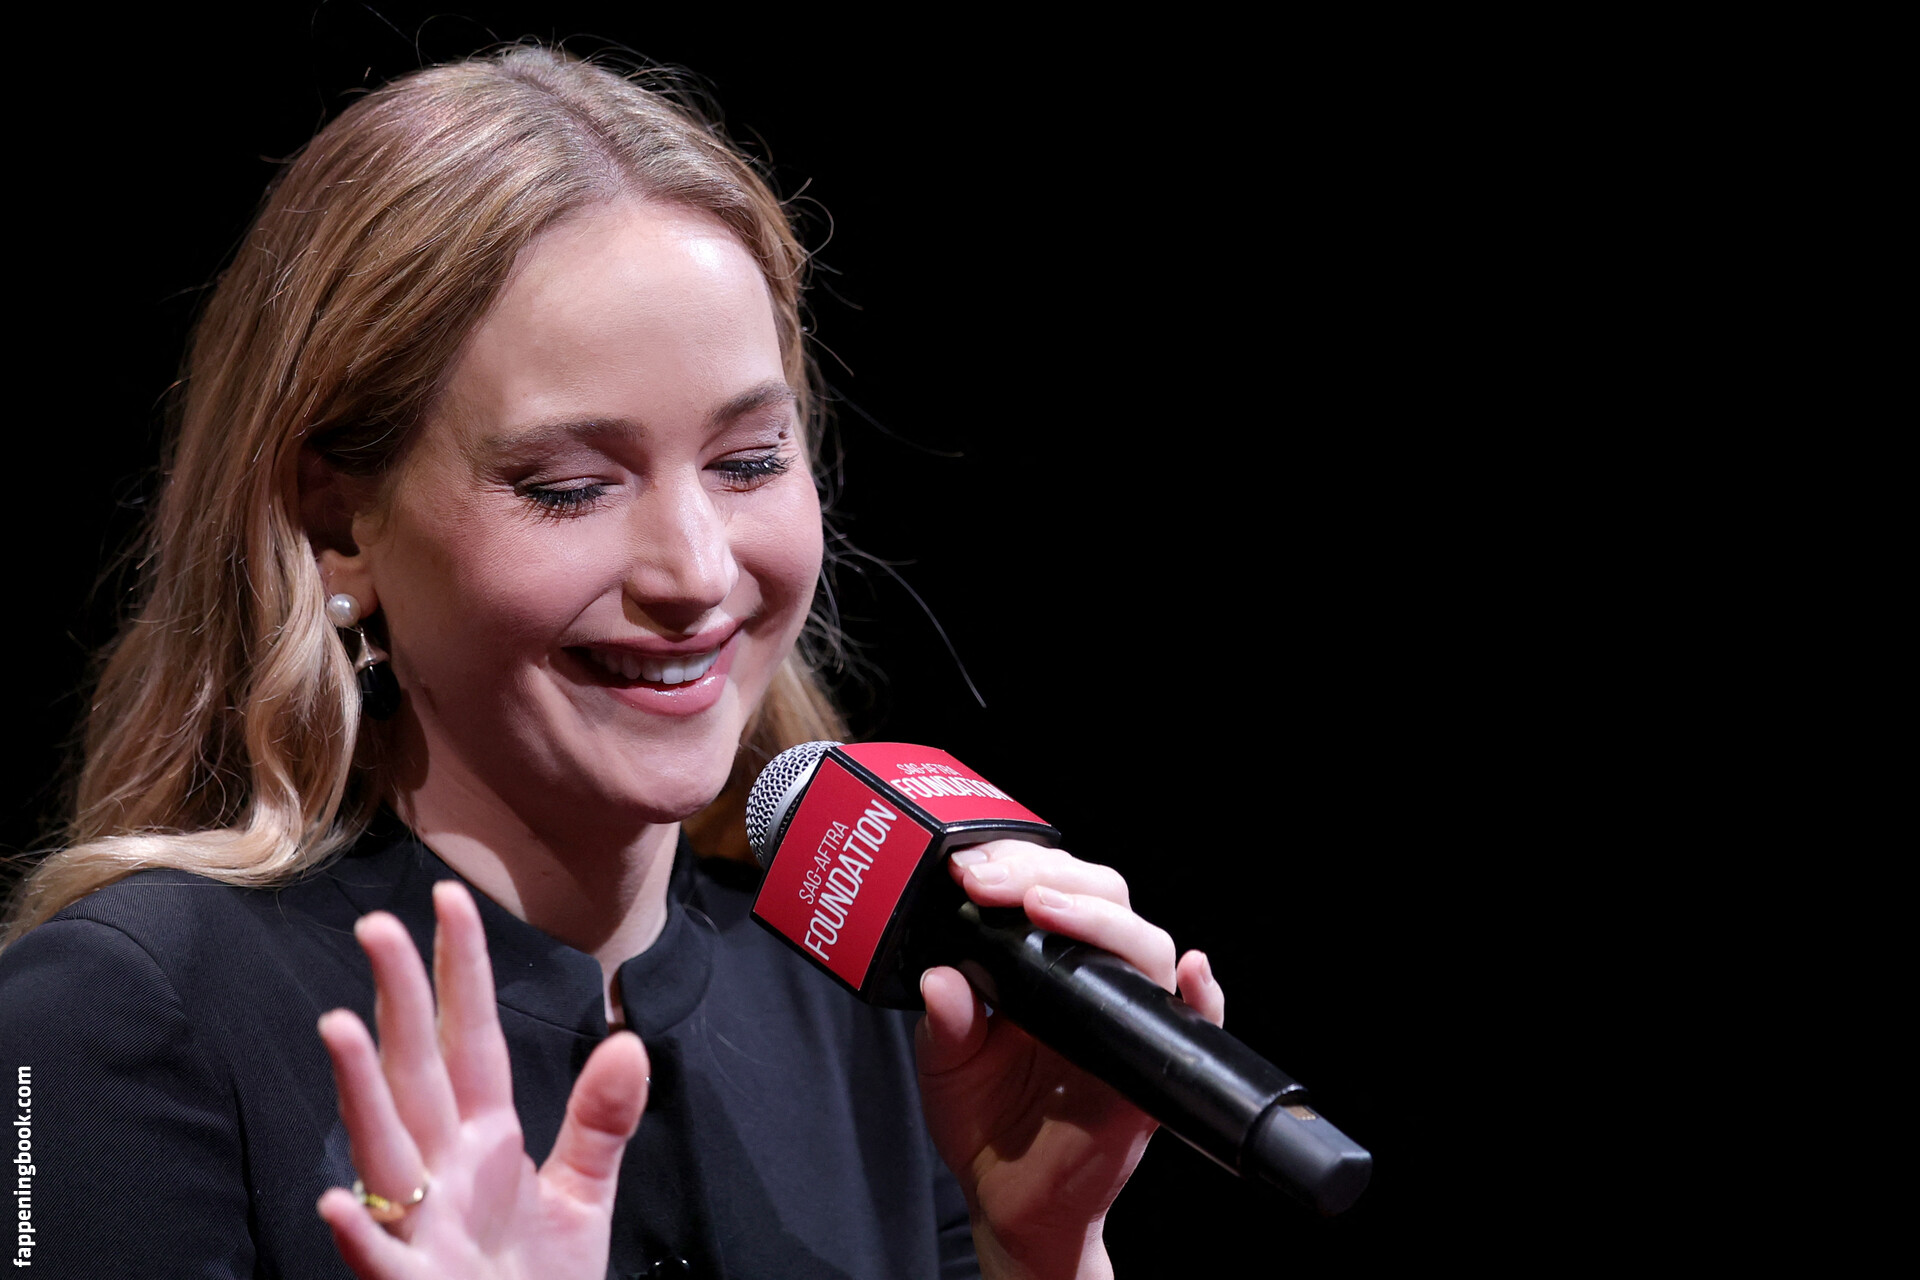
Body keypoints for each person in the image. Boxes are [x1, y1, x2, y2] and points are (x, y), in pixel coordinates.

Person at [0, 45, 1223, 1279]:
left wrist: (1043, 1249)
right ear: (338, 526)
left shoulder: (878, 1014)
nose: (694, 568)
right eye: (571, 485)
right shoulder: (118, 1014)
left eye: (749, 462)